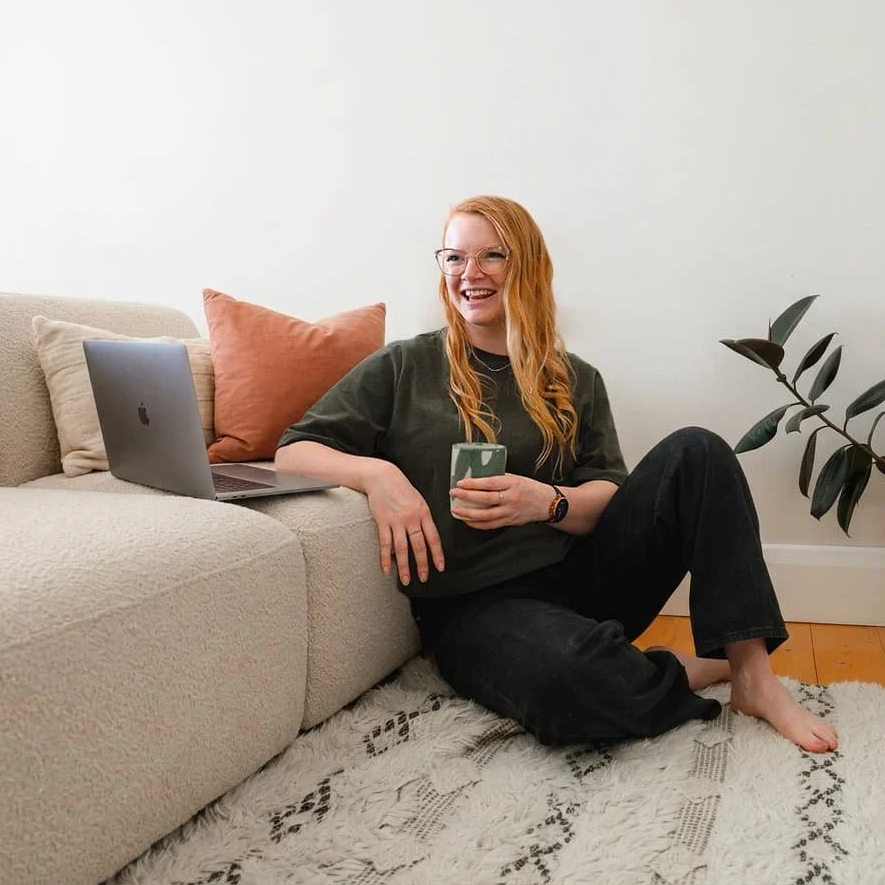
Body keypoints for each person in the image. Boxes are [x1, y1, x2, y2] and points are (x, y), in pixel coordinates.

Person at [276, 196, 838, 753]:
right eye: (453, 257)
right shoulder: (404, 366)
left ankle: (751, 676)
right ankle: (682, 668)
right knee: (569, 684)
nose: (469, 274)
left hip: (581, 575)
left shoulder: (575, 378)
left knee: (700, 452)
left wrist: (545, 501)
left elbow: (608, 495)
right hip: (474, 607)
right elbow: (294, 452)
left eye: (491, 256)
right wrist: (380, 477)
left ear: (527, 266)